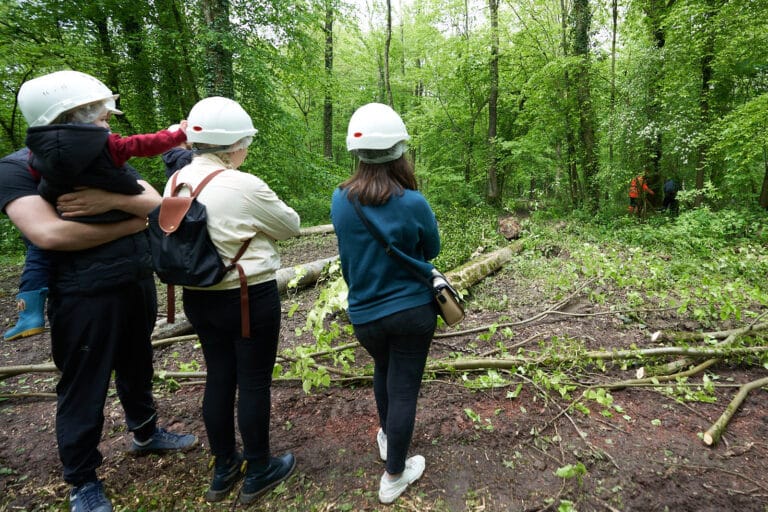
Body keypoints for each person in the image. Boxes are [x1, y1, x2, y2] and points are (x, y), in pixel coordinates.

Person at [1, 70, 198, 512]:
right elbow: (49, 234)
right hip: (81, 294)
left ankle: (145, 432)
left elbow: (151, 199)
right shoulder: (18, 168)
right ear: (65, 116)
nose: (107, 121)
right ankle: (82, 480)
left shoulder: (98, 152)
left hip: (133, 279)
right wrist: (134, 220)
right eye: (97, 112)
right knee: (84, 385)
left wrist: (116, 207)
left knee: (137, 363)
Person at [169, 96, 300, 504]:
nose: (246, 149)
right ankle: (259, 468)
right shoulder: (244, 185)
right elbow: (290, 226)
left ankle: (224, 467)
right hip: (247, 297)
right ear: (231, 147)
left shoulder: (177, 181)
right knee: (254, 380)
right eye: (245, 142)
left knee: (219, 376)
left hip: (198, 297)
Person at [330, 102, 440, 504]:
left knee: (383, 369)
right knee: (405, 387)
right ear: (399, 150)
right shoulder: (414, 202)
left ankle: (387, 437)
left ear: (356, 152)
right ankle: (394, 474)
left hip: (365, 314)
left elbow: (347, 253)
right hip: (412, 312)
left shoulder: (341, 200)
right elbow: (432, 249)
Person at [19, 70, 189, 223]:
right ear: (78, 121)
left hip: (72, 218)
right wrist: (178, 135)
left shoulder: (36, 154)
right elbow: (144, 144)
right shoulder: (106, 145)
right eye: (102, 120)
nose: (107, 127)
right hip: (120, 219)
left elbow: (36, 176)